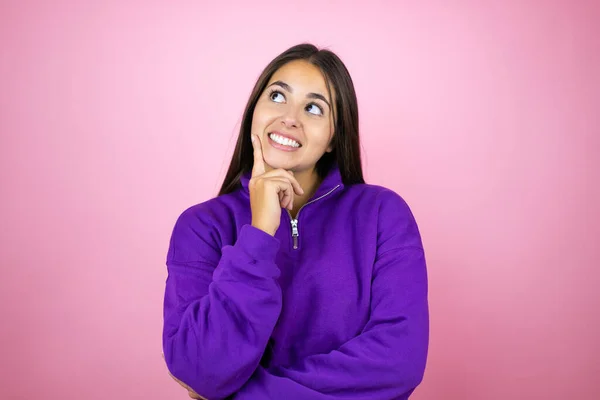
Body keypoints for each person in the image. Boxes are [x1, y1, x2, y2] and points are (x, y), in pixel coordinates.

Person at [162, 43, 429, 400]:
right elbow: (199, 367)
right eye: (276, 96)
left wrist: (236, 396)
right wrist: (258, 235)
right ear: (253, 111)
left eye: (314, 107)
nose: (290, 117)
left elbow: (399, 362)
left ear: (335, 137)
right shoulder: (201, 226)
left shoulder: (383, 215)